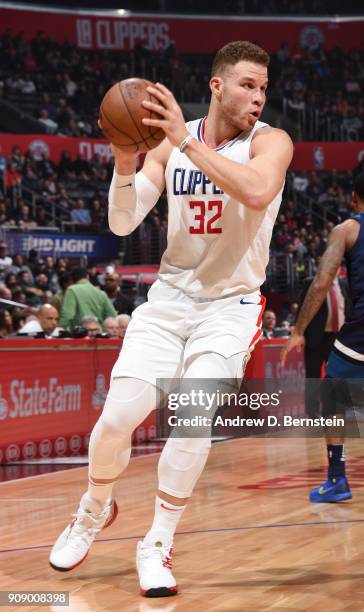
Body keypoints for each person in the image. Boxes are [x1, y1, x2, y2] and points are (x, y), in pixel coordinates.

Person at [49, 40, 293, 597]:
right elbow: (121, 223)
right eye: (247, 85)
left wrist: (182, 139)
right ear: (217, 85)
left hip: (230, 306)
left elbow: (257, 192)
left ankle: (157, 542)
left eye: (263, 87)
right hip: (168, 303)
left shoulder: (271, 142)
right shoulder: (168, 145)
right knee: (115, 422)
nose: (258, 96)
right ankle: (93, 508)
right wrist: (125, 156)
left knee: (194, 416)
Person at [282, 171, 364, 503]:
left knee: (332, 391)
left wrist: (298, 329)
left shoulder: (348, 228)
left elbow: (323, 281)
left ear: (352, 199)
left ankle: (337, 478)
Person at [297, 268, 350, 417]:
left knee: (337, 376)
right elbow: (302, 308)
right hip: (315, 337)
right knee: (313, 376)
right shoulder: (311, 282)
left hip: (337, 338)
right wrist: (299, 333)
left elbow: (349, 309)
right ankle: (313, 414)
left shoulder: (344, 284)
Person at [59, 266, 117, 331]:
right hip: (98, 334)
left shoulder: (71, 290)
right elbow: (113, 315)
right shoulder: (101, 293)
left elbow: (67, 315)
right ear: (87, 276)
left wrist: (59, 330)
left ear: (72, 279)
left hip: (80, 335)